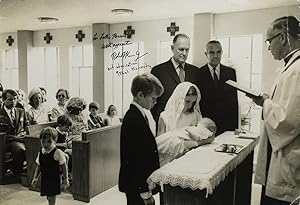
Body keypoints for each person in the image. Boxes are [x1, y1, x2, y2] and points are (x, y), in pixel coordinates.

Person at [248, 16, 300, 205]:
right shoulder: (288, 68)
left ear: (283, 38)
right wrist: (269, 101)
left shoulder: (297, 70)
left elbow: (287, 120)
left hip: (288, 162)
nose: (268, 47)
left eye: (269, 41)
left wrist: (265, 103)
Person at [118, 73, 164, 205]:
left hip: (138, 184)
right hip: (137, 186)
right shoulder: (133, 119)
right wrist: (144, 192)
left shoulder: (139, 114)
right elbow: (135, 160)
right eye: (153, 98)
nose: (155, 102)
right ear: (140, 95)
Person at [151, 33, 199, 123]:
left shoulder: (195, 71)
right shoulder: (158, 71)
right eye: (181, 49)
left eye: (187, 50)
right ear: (172, 48)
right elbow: (153, 102)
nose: (184, 53)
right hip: (166, 123)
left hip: (188, 123)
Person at [197, 40, 238, 136]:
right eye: (211, 52)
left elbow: (234, 101)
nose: (215, 56)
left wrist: (235, 128)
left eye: (218, 52)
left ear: (222, 52)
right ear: (205, 54)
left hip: (227, 124)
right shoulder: (198, 73)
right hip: (207, 125)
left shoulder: (230, 72)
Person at [31, 127, 69, 205]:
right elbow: (39, 166)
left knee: (51, 196)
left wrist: (65, 179)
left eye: (49, 142)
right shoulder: (41, 152)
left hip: (54, 178)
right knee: (48, 196)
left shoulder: (57, 152)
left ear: (54, 141)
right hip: (45, 178)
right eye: (43, 141)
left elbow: (63, 166)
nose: (45, 144)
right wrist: (35, 178)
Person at [0, 89, 29, 180]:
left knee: (35, 145)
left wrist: (25, 133)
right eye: (10, 99)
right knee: (19, 149)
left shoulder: (21, 111)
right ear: (3, 100)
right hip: (6, 142)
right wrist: (16, 138)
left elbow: (27, 126)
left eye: (15, 99)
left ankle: (29, 171)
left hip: (22, 138)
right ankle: (18, 173)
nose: (13, 102)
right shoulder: (0, 114)